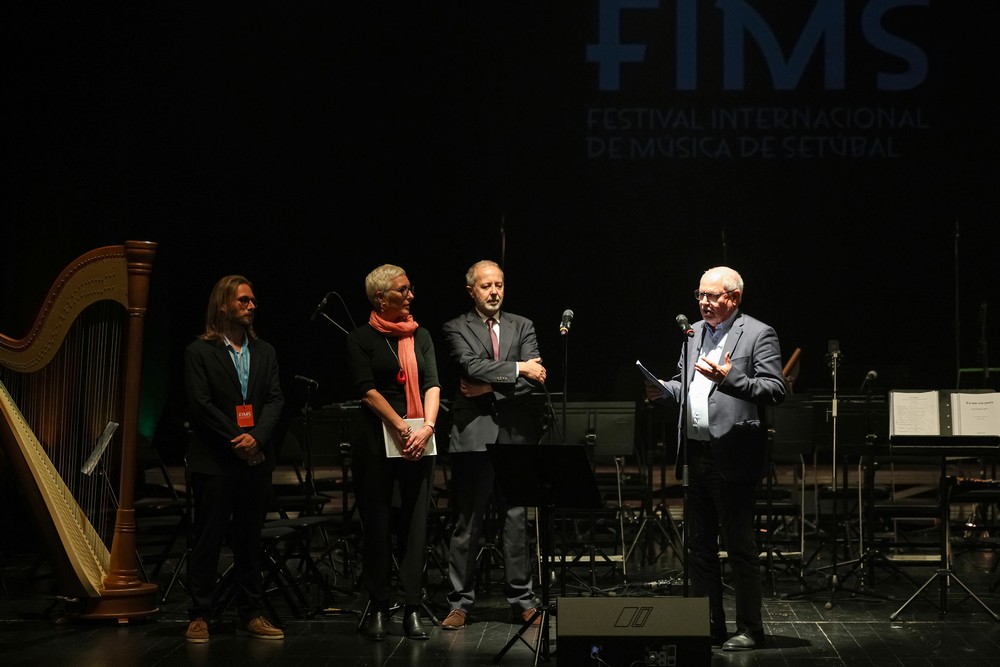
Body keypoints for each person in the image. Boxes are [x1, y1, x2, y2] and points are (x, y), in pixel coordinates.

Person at [645, 266, 785, 652]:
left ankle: (750, 629)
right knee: (699, 547)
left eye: (713, 296)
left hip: (733, 454)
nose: (704, 302)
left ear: (734, 298)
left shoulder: (758, 333)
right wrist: (665, 390)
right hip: (695, 454)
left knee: (739, 546)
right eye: (700, 295)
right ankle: (710, 624)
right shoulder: (693, 331)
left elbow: (775, 389)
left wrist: (730, 379)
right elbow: (685, 382)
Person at [439, 260, 547, 630]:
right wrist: (518, 369)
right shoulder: (455, 327)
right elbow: (469, 367)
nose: (494, 292)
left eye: (499, 284)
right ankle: (459, 602)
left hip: (516, 436)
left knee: (516, 519)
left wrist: (490, 388)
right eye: (486, 286)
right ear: (472, 290)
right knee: (467, 522)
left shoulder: (523, 325)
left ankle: (523, 600)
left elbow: (538, 378)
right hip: (473, 437)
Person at [183, 275, 286, 643]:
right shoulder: (199, 352)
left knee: (248, 539)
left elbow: (275, 400)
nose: (251, 306)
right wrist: (237, 439)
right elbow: (201, 405)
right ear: (223, 305)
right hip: (215, 461)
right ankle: (200, 614)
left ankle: (251, 612)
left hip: (255, 459)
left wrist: (256, 438)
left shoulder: (265, 351)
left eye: (253, 301)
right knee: (208, 538)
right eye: (243, 300)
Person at [346, 264, 441, 641]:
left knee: (415, 526)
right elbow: (367, 390)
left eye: (410, 289)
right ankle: (380, 606)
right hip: (377, 438)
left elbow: (433, 384)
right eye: (403, 290)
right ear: (380, 298)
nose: (411, 296)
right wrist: (400, 426)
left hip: (420, 438)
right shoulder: (360, 338)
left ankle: (412, 606)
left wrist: (427, 427)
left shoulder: (422, 336)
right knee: (379, 525)